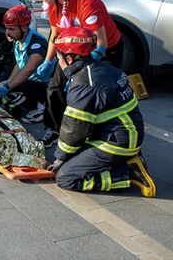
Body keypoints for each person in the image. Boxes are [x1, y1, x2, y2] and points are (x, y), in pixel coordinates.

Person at [46, 27, 156, 198]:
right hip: (124, 132)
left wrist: (60, 157)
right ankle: (125, 161)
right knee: (73, 157)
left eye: (58, 57)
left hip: (117, 141)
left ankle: (126, 173)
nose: (57, 63)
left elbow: (74, 129)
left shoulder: (84, 84)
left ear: (68, 58)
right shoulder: (102, 69)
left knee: (66, 177)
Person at [30, 0, 122, 148]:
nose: (41, 0)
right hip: (72, 51)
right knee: (54, 86)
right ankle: (53, 129)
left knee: (92, 93)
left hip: (102, 51)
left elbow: (101, 43)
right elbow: (55, 35)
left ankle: (96, 135)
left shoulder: (86, 4)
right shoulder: (55, 7)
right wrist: (48, 62)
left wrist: (78, 73)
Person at [0, 5, 53, 124]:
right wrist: (8, 82)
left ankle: (42, 106)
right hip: (33, 82)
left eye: (11, 29)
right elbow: (19, 64)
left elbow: (30, 68)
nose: (7, 32)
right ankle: (29, 103)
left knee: (12, 90)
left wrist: (8, 87)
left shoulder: (36, 43)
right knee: (5, 85)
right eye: (6, 28)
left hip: (46, 86)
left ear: (24, 27)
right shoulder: (19, 40)